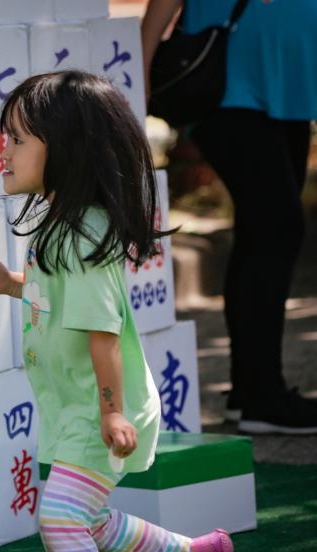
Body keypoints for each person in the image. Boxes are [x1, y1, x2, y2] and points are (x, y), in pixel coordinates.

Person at [0, 71, 233, 552]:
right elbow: (62, 296)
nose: (3, 149)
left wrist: (110, 412)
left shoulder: (80, 231)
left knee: (60, 517)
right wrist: (11, 284)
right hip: (80, 405)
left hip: (99, 409)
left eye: (18, 140)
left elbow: (102, 331)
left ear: (67, 151)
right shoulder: (63, 223)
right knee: (87, 518)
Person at [142, 0, 317, 435]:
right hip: (229, 83)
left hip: (287, 85)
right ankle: (261, 395)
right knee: (278, 226)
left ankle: (252, 393)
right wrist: (140, 68)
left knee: (264, 232)